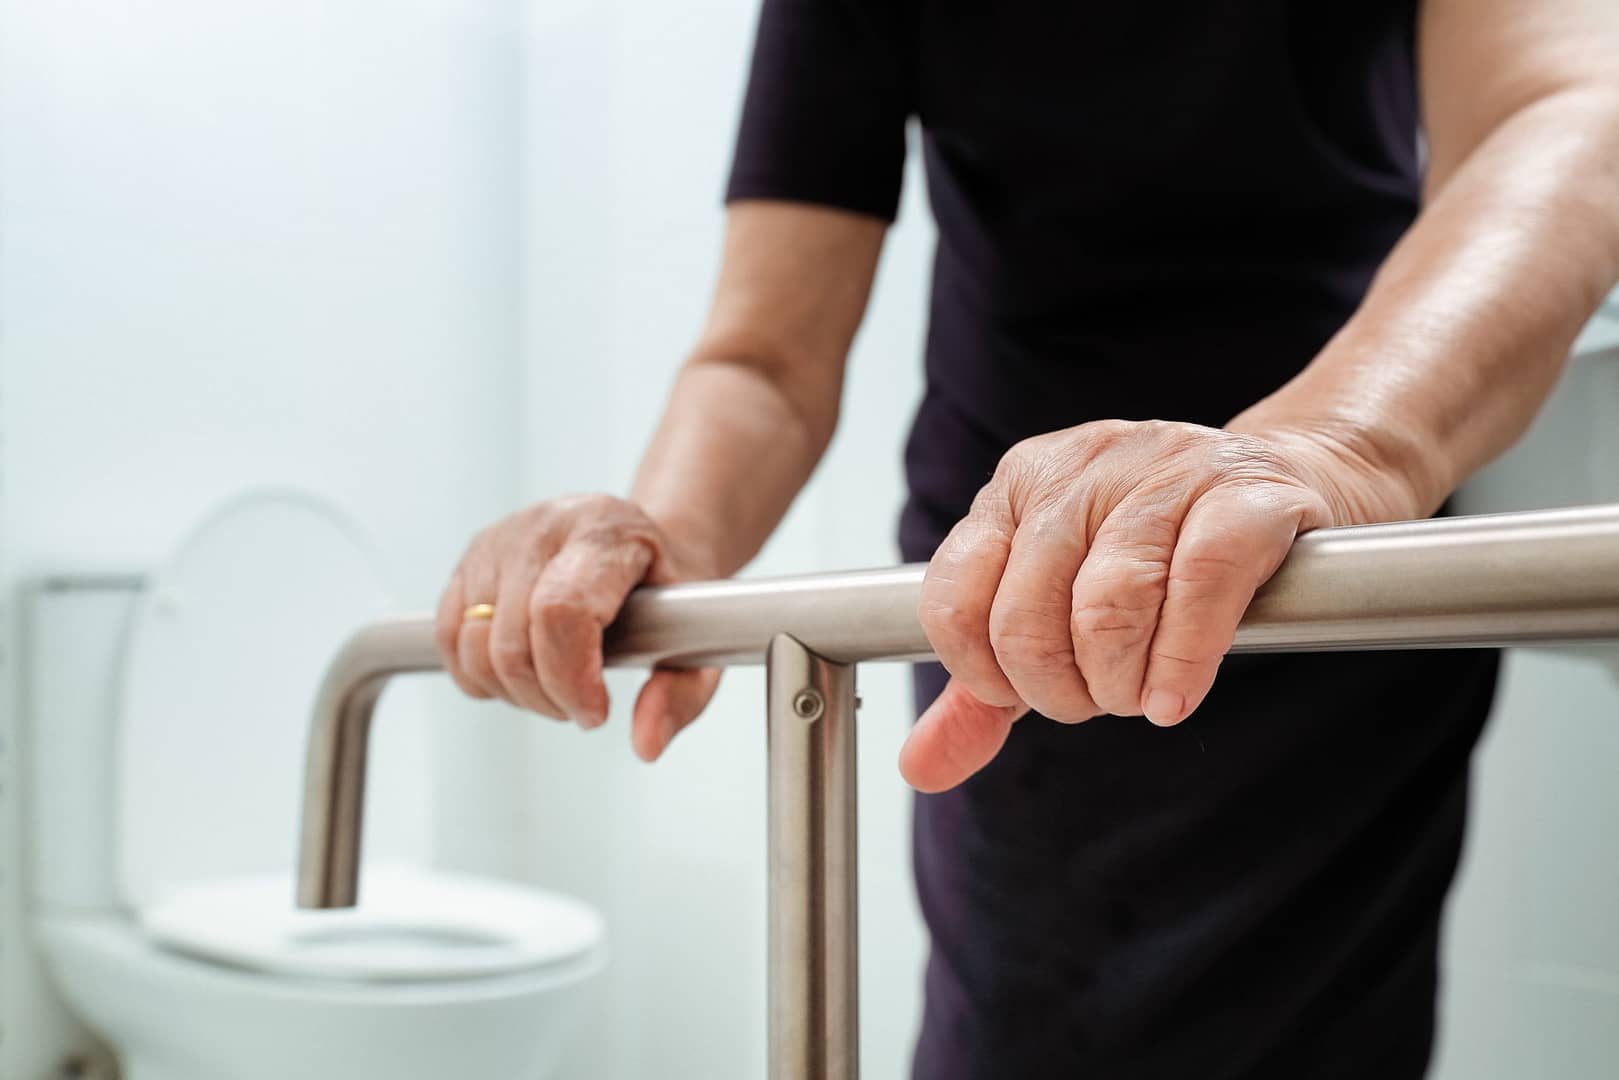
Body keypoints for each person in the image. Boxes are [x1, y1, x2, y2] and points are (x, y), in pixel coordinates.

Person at [435, 1, 1619, 1075]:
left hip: (1333, 551)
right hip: (1016, 588)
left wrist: (1338, 445)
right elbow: (764, 360)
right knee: (1023, 1024)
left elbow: (1566, 104)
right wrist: (674, 531)